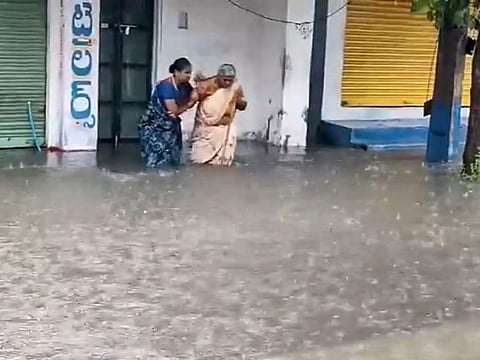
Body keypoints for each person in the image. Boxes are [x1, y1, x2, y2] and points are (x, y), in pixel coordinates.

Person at [138, 57, 194, 168]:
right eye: (186, 72)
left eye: (190, 73)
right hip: (155, 127)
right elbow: (173, 110)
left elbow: (197, 93)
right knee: (157, 160)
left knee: (174, 160)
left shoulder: (185, 86)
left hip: (170, 126)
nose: (189, 76)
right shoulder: (166, 86)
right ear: (176, 72)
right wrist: (189, 104)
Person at [188, 64, 247, 166]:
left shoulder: (235, 87)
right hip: (206, 130)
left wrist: (236, 99)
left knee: (224, 162)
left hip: (225, 128)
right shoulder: (207, 85)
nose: (228, 83)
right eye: (225, 80)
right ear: (218, 77)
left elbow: (243, 105)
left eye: (230, 80)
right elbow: (192, 99)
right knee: (199, 162)